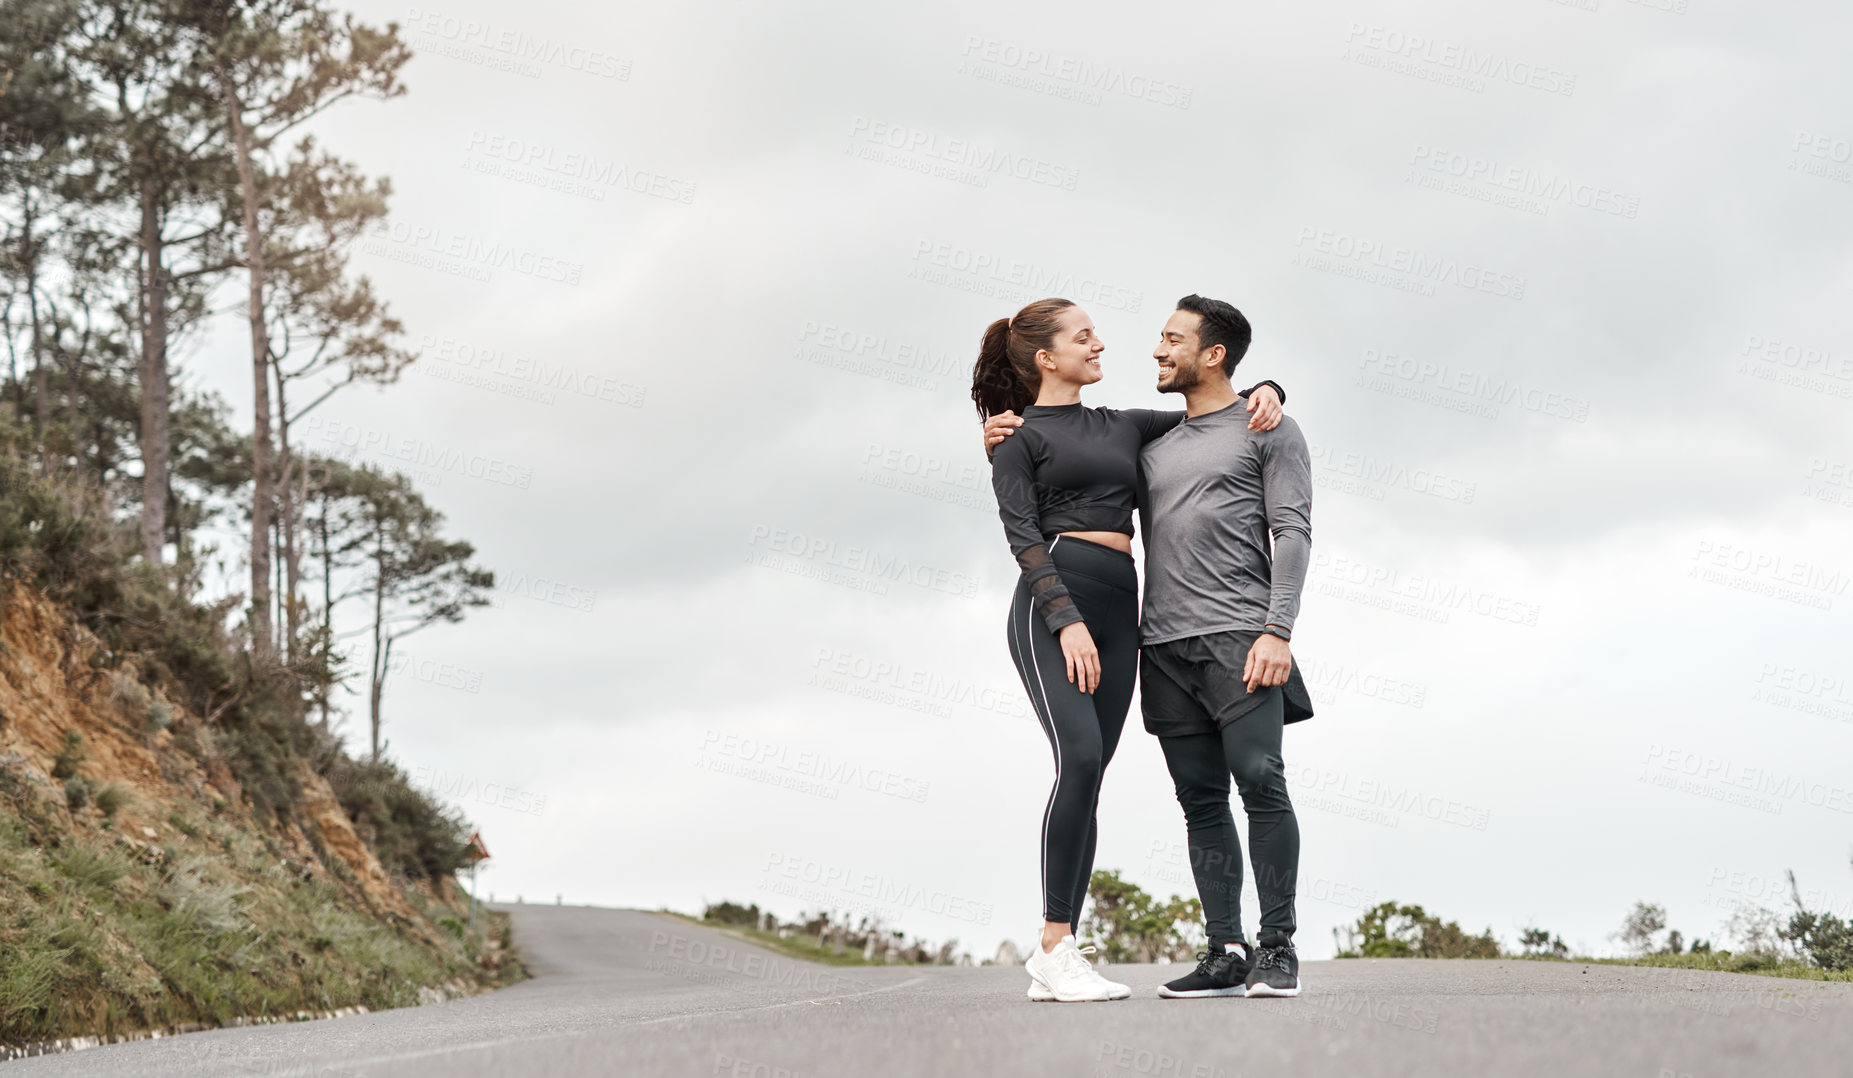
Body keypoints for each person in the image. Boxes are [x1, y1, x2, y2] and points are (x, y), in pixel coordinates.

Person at [984, 294, 1315, 1001]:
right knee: (1157, 785)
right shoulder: (1076, 439)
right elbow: (1031, 514)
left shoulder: (1199, 427)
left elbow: (1271, 498)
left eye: (1170, 339)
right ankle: (1160, 948)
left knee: (1249, 780)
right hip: (1117, 624)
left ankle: (1270, 948)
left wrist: (1273, 388)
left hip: (1195, 626)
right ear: (1047, 356)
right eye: (1086, 335)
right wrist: (1064, 616)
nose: (1139, 349)